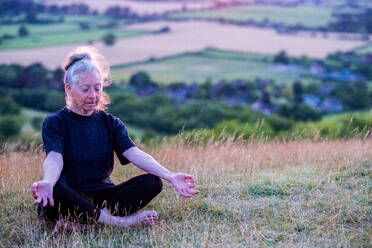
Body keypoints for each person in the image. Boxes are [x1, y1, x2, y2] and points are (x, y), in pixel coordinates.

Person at [30, 46, 199, 232]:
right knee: (54, 189)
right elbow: (54, 157)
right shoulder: (55, 122)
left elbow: (134, 153)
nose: (93, 96)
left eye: (98, 88)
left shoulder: (110, 122)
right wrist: (48, 181)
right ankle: (120, 222)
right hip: (69, 198)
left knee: (153, 181)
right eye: (85, 89)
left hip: (104, 195)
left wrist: (170, 175)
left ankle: (83, 225)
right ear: (69, 89)